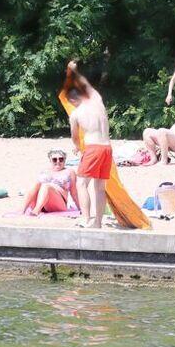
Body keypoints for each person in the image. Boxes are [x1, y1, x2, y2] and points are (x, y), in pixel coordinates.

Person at [61, 60, 111, 229]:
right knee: (100, 187)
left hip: (93, 148)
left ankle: (86, 219)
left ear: (72, 100)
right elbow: (86, 84)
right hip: (107, 148)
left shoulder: (75, 114)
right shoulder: (97, 100)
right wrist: (74, 71)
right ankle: (98, 222)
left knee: (81, 184)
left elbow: (75, 137)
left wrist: (77, 147)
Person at [21, 149, 80, 216]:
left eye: (61, 159)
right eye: (54, 159)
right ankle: (23, 210)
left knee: (46, 186)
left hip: (59, 203)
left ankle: (36, 210)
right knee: (36, 184)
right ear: (50, 160)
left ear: (64, 160)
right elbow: (34, 189)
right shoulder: (45, 171)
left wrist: (80, 208)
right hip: (42, 204)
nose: (58, 161)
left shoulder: (69, 172)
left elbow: (74, 192)